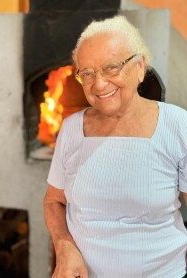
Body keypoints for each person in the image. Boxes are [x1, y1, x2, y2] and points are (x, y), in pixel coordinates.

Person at [43, 15, 187, 278]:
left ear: (140, 67)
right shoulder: (72, 129)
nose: (99, 84)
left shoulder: (177, 125)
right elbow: (54, 201)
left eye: (111, 67)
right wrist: (64, 248)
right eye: (87, 73)